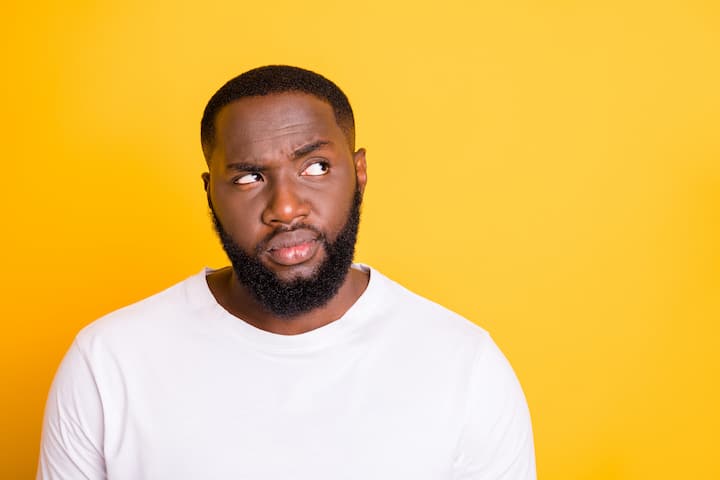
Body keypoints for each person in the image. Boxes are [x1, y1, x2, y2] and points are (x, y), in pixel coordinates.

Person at [37, 65, 536, 479]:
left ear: (359, 173)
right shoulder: (108, 363)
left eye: (315, 167)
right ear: (211, 191)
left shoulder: (464, 366)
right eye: (250, 176)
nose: (287, 207)